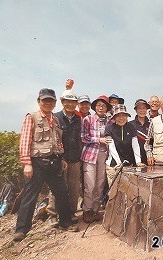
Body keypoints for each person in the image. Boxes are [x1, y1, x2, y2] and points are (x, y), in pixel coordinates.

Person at [14, 88, 79, 242]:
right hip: (36, 163)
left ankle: (65, 223)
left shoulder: (55, 120)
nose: (48, 103)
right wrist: (27, 163)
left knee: (62, 193)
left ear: (55, 103)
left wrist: (61, 158)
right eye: (45, 100)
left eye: (51, 101)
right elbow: (25, 140)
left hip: (54, 161)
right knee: (30, 196)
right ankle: (21, 230)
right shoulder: (32, 117)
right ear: (39, 102)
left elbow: (57, 141)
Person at [47, 89, 82, 226]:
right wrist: (59, 157)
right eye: (67, 102)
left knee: (74, 188)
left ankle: (71, 212)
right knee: (57, 187)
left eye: (73, 102)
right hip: (60, 158)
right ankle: (53, 214)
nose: (70, 105)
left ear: (76, 103)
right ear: (62, 102)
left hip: (75, 158)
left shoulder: (78, 119)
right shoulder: (55, 117)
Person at [81, 95, 112, 223]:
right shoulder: (88, 119)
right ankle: (87, 210)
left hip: (104, 154)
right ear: (95, 107)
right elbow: (83, 137)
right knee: (90, 184)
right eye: (99, 105)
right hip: (90, 154)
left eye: (104, 106)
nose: (101, 107)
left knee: (100, 183)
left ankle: (95, 210)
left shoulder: (110, 121)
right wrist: (99, 140)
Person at [105, 105, 145, 183]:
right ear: (114, 117)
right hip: (114, 166)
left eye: (123, 115)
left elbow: (135, 145)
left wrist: (138, 161)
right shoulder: (109, 128)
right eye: (118, 116)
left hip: (129, 166)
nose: (121, 118)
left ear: (127, 116)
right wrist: (119, 163)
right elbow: (111, 147)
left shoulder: (131, 126)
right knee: (113, 192)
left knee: (127, 192)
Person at [130, 99, 150, 165]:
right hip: (134, 159)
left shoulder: (151, 124)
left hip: (149, 158)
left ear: (147, 109)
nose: (142, 110)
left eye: (144, 108)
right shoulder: (130, 124)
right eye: (139, 108)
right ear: (136, 110)